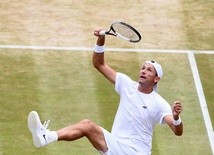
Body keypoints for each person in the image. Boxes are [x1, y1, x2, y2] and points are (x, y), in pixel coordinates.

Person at [28, 29, 183, 155]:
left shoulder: (159, 103)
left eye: (149, 70)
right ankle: (47, 136)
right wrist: (101, 40)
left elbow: (177, 131)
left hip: (137, 152)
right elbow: (98, 63)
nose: (143, 71)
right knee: (86, 125)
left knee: (87, 126)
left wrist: (176, 118)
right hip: (115, 146)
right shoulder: (127, 84)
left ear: (156, 79)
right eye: (143, 68)